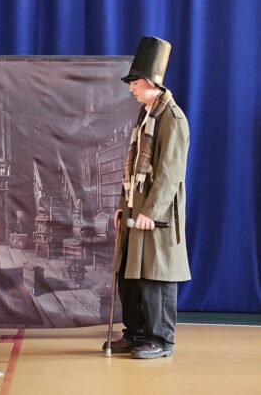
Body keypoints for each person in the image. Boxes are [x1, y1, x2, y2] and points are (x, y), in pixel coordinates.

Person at [102, 37, 191, 359]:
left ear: (151, 83)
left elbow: (170, 172)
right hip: (133, 209)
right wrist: (121, 207)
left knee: (156, 276)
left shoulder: (172, 119)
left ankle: (160, 340)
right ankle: (136, 334)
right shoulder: (145, 116)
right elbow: (131, 170)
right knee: (130, 276)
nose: (131, 89)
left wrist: (150, 211)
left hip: (157, 215)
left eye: (136, 83)